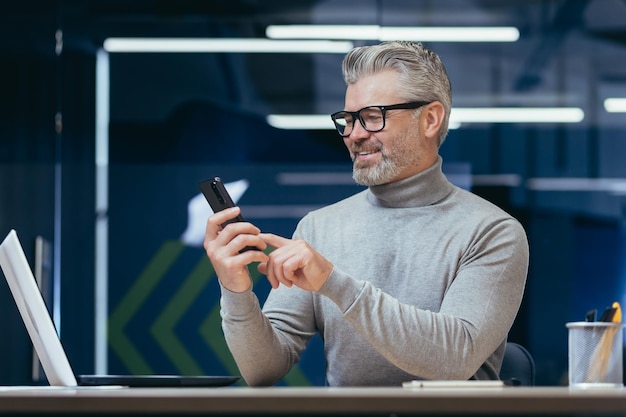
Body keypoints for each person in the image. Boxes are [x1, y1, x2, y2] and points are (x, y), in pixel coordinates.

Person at [204, 41, 529, 387]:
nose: (354, 135)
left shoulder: (493, 232)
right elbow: (263, 369)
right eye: (347, 119)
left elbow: (454, 358)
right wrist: (236, 290)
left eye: (373, 117)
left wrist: (334, 283)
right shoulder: (319, 228)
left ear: (430, 119)